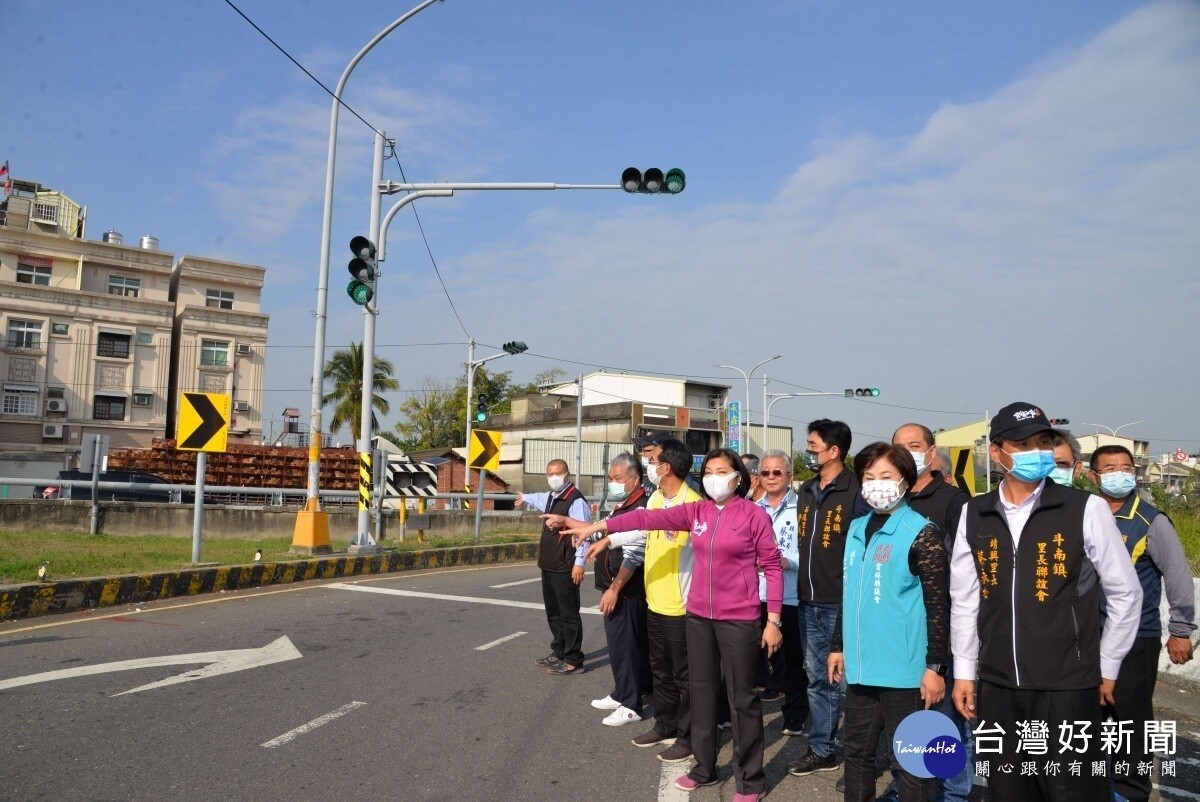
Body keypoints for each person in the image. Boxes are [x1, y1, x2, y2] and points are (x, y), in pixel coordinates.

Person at [557, 448, 784, 802]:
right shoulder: (697, 512)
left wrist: (773, 620)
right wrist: (595, 527)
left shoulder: (753, 516)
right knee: (703, 692)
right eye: (708, 470)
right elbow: (643, 521)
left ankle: (750, 780)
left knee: (742, 699)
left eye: (722, 470)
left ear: (739, 476)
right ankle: (705, 768)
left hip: (739, 619)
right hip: (698, 616)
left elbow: (771, 566)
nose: (714, 477)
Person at [950, 403, 1142, 801]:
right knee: (1007, 790)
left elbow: (1125, 591)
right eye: (1022, 443)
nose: (1036, 451)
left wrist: (1107, 664)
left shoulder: (1082, 508)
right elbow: (965, 600)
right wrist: (966, 672)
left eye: (1043, 441)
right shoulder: (975, 513)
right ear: (997, 451)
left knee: (1071, 788)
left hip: (1066, 684)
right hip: (998, 682)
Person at [830, 442, 948, 802]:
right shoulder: (855, 528)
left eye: (886, 476)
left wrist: (935, 666)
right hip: (863, 667)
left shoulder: (921, 531)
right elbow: (848, 591)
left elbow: (939, 605)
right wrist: (838, 645)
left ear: (905, 481)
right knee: (857, 752)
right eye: (869, 477)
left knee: (911, 761)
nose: (877, 484)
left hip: (906, 671)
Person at [1088, 445, 1196, 802]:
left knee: (1129, 718)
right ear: (1093, 476)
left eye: (1125, 466)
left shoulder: (1151, 520)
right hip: (1087, 635)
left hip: (1137, 637)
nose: (1119, 473)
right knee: (1089, 718)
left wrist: (1181, 630)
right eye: (1109, 468)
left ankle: (1130, 791)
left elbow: (1178, 576)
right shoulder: (1083, 515)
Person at [584, 438, 701, 762]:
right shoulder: (656, 500)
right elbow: (638, 528)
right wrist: (606, 536)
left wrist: (604, 531)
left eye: (653, 461)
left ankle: (689, 735)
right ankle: (665, 724)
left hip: (681, 606)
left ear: (666, 467)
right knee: (660, 672)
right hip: (655, 602)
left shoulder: (691, 504)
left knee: (683, 677)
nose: (649, 465)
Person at [892, 423, 972, 802]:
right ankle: (906, 787)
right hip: (903, 626)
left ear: (932, 450)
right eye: (899, 447)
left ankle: (954, 794)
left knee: (945, 717)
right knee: (909, 714)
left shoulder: (953, 501)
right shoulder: (893, 498)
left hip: (943, 623)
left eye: (915, 445)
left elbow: (966, 568)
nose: (908, 453)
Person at [788, 419, 871, 778]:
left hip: (843, 604)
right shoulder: (806, 490)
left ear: (834, 451)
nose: (808, 452)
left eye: (812, 446)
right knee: (817, 678)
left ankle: (858, 757)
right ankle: (822, 748)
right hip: (807, 601)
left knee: (850, 682)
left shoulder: (857, 491)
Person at [586, 452, 652, 727]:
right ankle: (623, 690)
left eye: (617, 478)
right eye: (610, 478)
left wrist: (614, 588)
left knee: (625, 647)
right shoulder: (623, 504)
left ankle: (631, 703)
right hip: (618, 588)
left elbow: (634, 555)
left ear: (635, 479)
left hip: (627, 590)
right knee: (623, 647)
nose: (612, 483)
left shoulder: (640, 507)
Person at [517, 459, 591, 676]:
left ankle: (573, 659)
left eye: (558, 473)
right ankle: (559, 651)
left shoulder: (576, 500)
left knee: (569, 614)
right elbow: (538, 498)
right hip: (549, 565)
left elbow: (584, 534)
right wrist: (524, 497)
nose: (554, 478)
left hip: (566, 566)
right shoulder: (552, 497)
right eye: (550, 474)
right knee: (553, 613)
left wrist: (580, 564)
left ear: (567, 474)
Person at [754, 449, 809, 734]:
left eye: (777, 472)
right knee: (754, 657)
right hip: (755, 594)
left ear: (789, 475)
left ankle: (795, 715)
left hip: (790, 595)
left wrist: (787, 561)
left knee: (793, 660)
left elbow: (810, 552)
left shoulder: (802, 508)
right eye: (765, 472)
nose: (771, 477)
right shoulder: (753, 508)